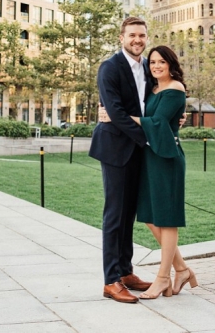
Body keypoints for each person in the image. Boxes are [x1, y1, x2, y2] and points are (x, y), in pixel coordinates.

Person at [89, 16, 154, 304]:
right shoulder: (110, 67)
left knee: (128, 214)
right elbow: (114, 111)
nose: (137, 40)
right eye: (132, 35)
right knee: (114, 215)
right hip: (116, 148)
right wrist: (146, 137)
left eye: (141, 35)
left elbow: (152, 103)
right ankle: (111, 280)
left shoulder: (148, 68)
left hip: (137, 150)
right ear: (122, 38)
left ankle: (126, 272)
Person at [130, 45, 197, 299]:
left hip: (167, 157)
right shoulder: (154, 88)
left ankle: (162, 278)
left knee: (167, 217)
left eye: (161, 62)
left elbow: (157, 122)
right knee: (148, 213)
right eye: (153, 62)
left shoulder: (175, 88)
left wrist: (127, 117)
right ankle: (181, 269)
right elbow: (161, 118)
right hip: (150, 156)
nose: (156, 66)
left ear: (171, 64)